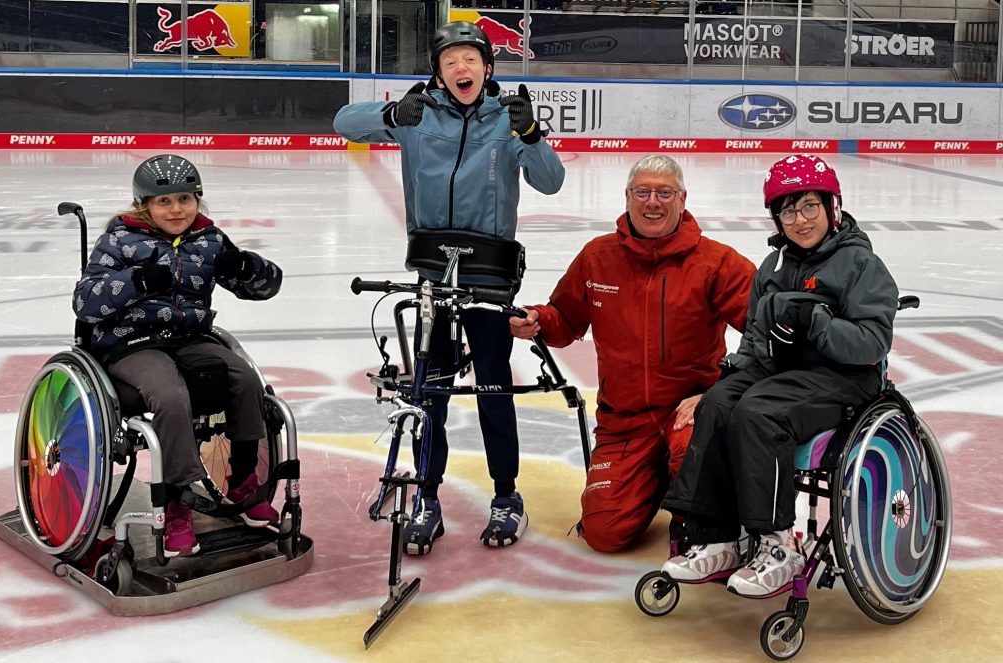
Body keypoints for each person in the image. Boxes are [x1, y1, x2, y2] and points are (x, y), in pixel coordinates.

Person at [333, 21, 565, 556]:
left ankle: (507, 495)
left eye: (471, 59)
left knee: (492, 388)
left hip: (490, 275)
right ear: (438, 71)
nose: (462, 68)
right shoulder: (418, 116)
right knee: (429, 390)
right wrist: (391, 114)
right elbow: (346, 123)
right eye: (451, 60)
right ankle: (428, 499)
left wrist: (531, 135)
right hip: (434, 274)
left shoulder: (509, 119)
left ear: (488, 68)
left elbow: (550, 180)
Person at [660, 154, 899, 596]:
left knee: (758, 413)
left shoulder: (861, 265)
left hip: (844, 378)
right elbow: (753, 343)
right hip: (782, 375)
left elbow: (872, 343)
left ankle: (777, 543)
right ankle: (718, 536)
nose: (800, 219)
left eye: (810, 205)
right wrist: (726, 382)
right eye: (788, 210)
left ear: (832, 206)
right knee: (719, 404)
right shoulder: (772, 269)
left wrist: (817, 325)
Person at [509, 154, 755, 553]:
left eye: (664, 193)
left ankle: (689, 485)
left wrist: (726, 388)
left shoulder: (717, 262)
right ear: (627, 197)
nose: (652, 202)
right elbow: (566, 320)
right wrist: (538, 318)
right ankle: (652, 480)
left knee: (698, 523)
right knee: (604, 534)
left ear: (682, 199)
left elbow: (765, 331)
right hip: (624, 423)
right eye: (643, 192)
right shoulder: (598, 257)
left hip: (691, 413)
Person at [72, 154, 284, 558]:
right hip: (130, 341)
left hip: (189, 336)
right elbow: (85, 303)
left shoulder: (209, 239)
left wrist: (244, 266)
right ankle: (178, 501)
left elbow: (265, 287)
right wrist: (135, 281)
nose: (177, 209)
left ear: (197, 201)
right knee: (169, 395)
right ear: (144, 205)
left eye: (185, 199)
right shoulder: (119, 240)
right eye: (164, 202)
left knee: (244, 379)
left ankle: (243, 481)